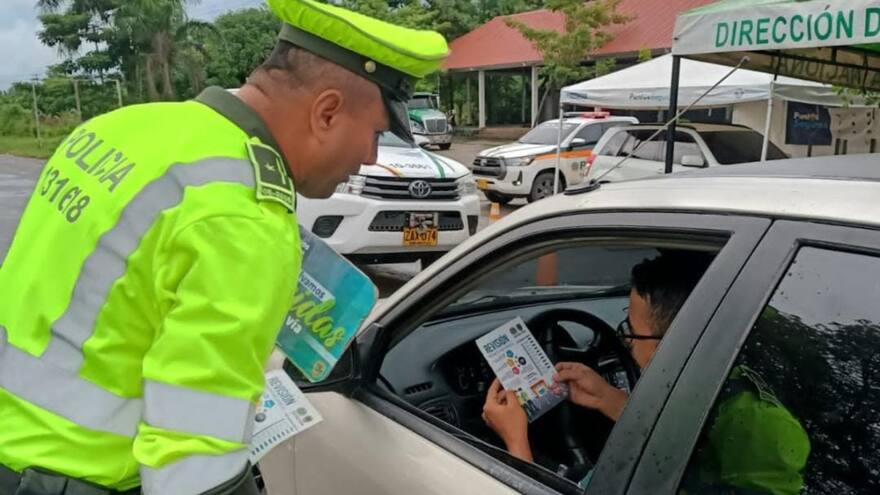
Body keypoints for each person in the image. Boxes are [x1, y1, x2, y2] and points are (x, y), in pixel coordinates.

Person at [0, 0, 448, 493]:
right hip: (83, 477)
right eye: (377, 134)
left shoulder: (118, 128)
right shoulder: (245, 220)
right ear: (326, 112)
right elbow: (193, 458)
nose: (370, 157)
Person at [483, 252, 810, 494]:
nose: (625, 341)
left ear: (679, 342)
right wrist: (610, 399)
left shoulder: (763, 429)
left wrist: (516, 445)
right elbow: (680, 439)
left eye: (632, 332)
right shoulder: (712, 380)